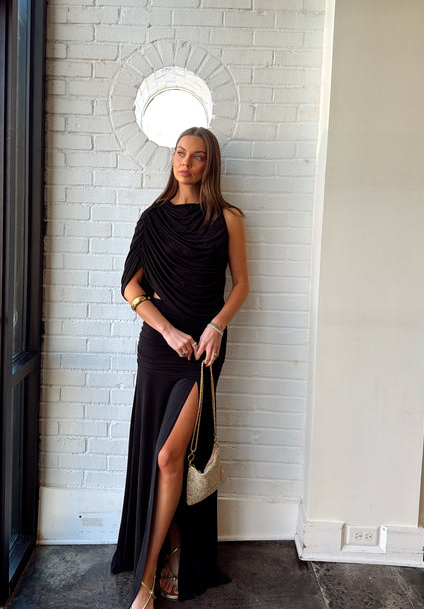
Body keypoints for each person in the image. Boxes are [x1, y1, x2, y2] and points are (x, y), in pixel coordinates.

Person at [111, 127, 249, 609]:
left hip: (204, 353)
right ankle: (170, 551)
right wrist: (168, 331)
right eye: (180, 153)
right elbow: (130, 286)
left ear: (211, 164)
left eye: (197, 156)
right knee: (161, 456)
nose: (186, 163)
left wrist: (216, 326)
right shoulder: (152, 218)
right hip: (158, 348)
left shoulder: (228, 218)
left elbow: (242, 285)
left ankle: (146, 579)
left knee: (172, 456)